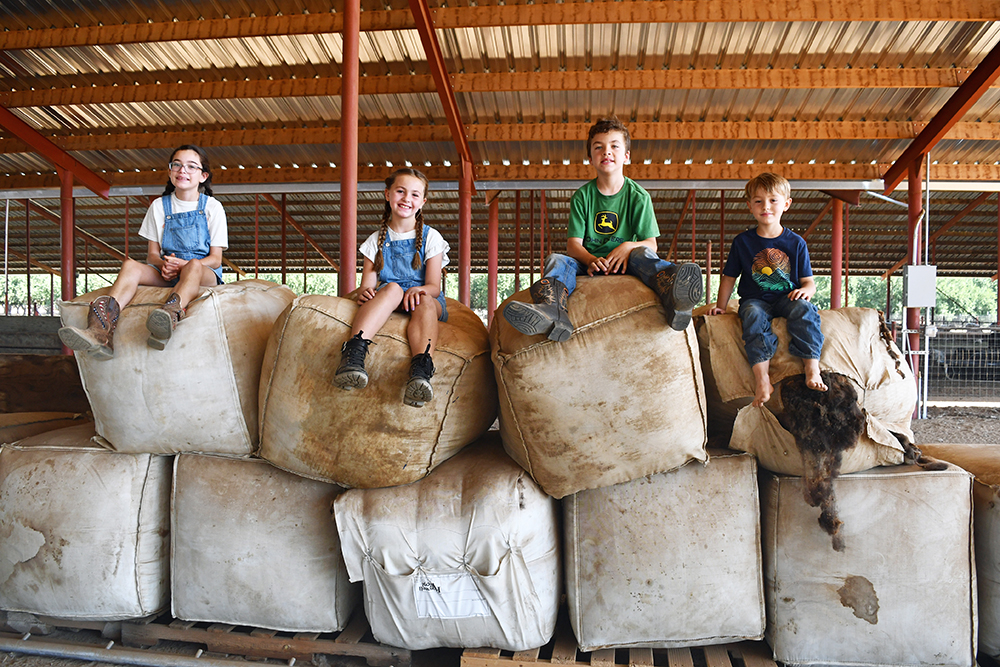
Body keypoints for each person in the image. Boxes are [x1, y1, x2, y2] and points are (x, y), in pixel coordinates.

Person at [503, 117, 703, 340]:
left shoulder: (639, 196)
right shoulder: (582, 197)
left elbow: (651, 244)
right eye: (599, 147)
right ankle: (552, 310)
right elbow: (573, 245)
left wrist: (627, 247)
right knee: (555, 260)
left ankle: (674, 290)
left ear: (626, 155)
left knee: (643, 253)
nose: (607, 152)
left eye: (614, 146)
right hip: (588, 262)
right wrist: (589, 260)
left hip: (627, 262)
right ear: (590, 158)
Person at [58, 144, 227, 359]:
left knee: (193, 265)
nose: (182, 170)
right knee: (130, 265)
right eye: (177, 165)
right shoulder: (159, 206)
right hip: (168, 270)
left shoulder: (212, 207)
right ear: (170, 171)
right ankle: (100, 330)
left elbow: (215, 259)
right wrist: (163, 266)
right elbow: (152, 255)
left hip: (201, 272)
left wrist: (184, 265)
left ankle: (169, 316)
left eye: (191, 167)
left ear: (203, 176)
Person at [708, 172, 828, 407]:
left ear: (786, 204)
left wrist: (806, 291)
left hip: (787, 298)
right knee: (752, 314)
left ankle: (812, 368)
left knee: (805, 310)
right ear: (749, 206)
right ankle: (762, 379)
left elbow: (809, 282)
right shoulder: (742, 242)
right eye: (758, 201)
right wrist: (720, 307)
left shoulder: (796, 243)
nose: (766, 206)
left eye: (773, 200)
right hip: (756, 300)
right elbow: (729, 277)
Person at [334, 168, 450, 409]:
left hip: (422, 298)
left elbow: (434, 287)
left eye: (415, 195)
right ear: (388, 194)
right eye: (400, 191)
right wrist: (364, 292)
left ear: (423, 202)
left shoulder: (432, 237)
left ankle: (421, 368)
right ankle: (354, 354)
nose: (407, 199)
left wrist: (419, 292)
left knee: (424, 300)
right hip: (392, 295)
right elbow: (367, 285)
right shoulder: (374, 241)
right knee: (392, 288)